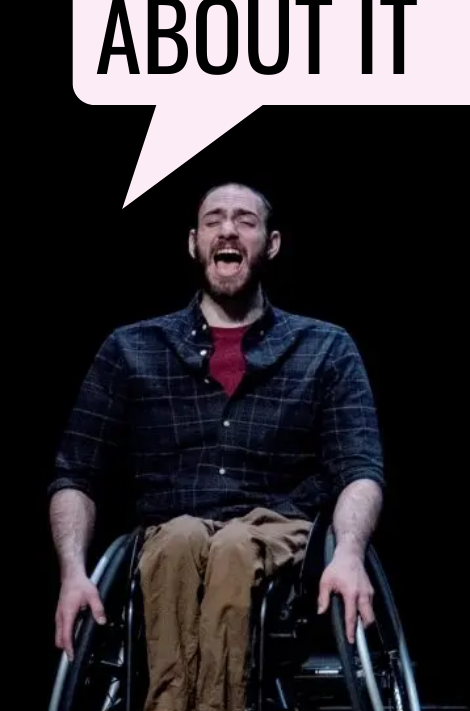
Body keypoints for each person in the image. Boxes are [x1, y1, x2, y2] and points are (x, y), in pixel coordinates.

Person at [49, 182, 385, 711]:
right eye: (214, 220)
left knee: (231, 547)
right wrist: (73, 573)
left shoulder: (324, 347)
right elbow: (76, 474)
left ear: (270, 244)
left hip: (277, 532)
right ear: (194, 242)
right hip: (168, 532)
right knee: (182, 540)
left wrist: (348, 552)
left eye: (245, 221)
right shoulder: (131, 348)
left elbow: (360, 470)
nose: (228, 229)